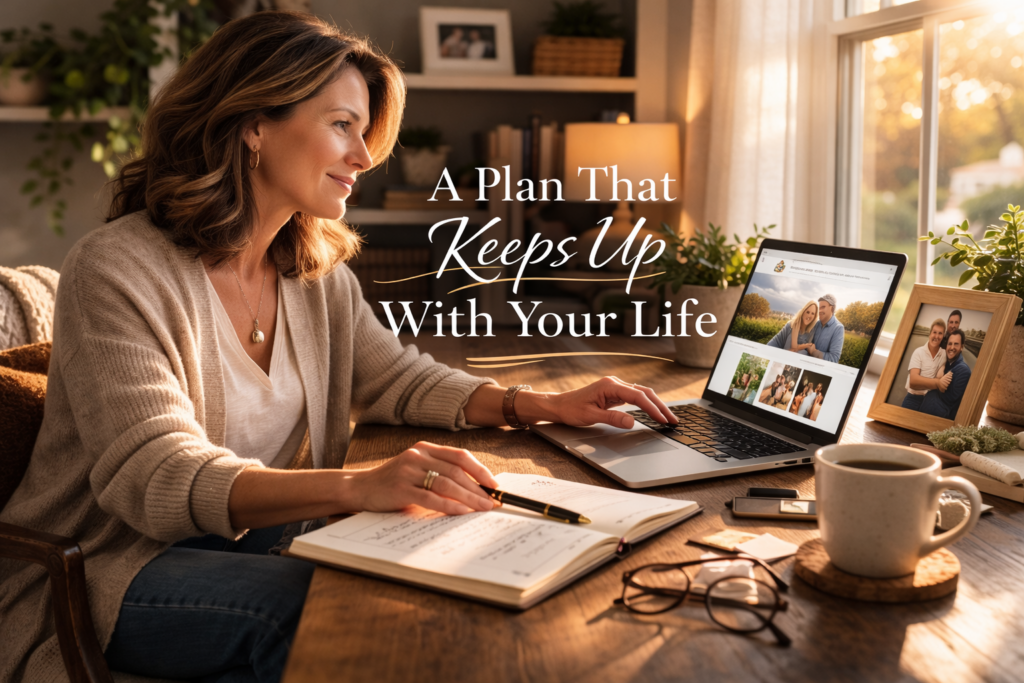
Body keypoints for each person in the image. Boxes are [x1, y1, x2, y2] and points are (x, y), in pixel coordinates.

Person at [0, 14, 681, 683]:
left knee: (422, 584)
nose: (363, 157)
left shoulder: (312, 272)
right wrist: (360, 483)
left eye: (364, 132)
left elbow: (398, 379)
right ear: (254, 125)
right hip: (98, 569)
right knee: (331, 613)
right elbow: (156, 474)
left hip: (240, 545)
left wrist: (538, 402)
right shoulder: (117, 267)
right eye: (341, 126)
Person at [919, 330, 972, 419]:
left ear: (962, 347)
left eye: (956, 344)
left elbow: (949, 399)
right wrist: (938, 380)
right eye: (949, 344)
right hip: (924, 415)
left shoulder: (964, 370)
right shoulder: (943, 363)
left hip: (939, 423)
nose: (952, 347)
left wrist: (933, 384)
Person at [901, 318, 951, 411]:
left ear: (943, 336)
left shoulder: (944, 354)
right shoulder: (918, 352)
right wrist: (937, 383)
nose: (936, 336)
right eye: (934, 332)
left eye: (940, 333)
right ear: (930, 333)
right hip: (912, 399)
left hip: (930, 402)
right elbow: (913, 382)